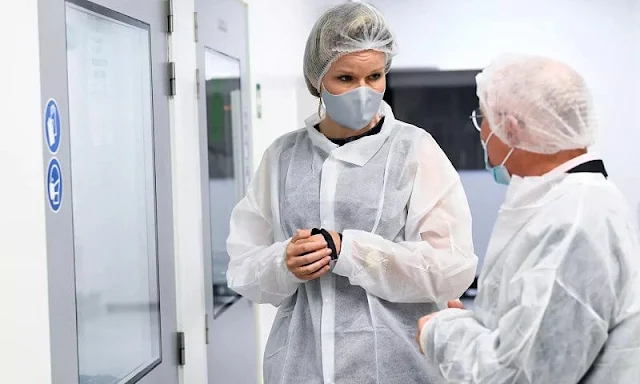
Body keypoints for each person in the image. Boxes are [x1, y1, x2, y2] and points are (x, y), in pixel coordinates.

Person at [226, 3, 477, 383]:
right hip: (300, 365)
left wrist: (350, 250)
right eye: (345, 78)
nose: (363, 91)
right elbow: (242, 266)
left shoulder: (414, 149)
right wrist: (284, 262)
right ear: (317, 80)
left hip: (397, 364)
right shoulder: (283, 156)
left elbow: (451, 267)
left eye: (375, 76)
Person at [416, 54, 640, 383]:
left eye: (484, 118)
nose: (481, 133)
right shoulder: (566, 201)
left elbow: (520, 375)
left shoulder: (574, 221)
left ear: (510, 128)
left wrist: (440, 333)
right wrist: (470, 325)